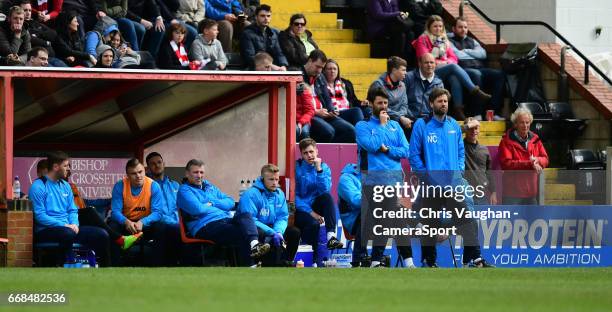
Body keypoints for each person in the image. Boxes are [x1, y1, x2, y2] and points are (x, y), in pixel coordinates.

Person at [409, 87, 493, 267]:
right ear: (431, 104)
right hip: (430, 186)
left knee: (467, 220)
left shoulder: (454, 124)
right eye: (439, 101)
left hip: (453, 185)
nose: (443, 104)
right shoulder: (421, 125)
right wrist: (426, 177)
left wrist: (459, 170)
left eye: (445, 101)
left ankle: (476, 258)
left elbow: (461, 151)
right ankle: (428, 261)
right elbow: (414, 155)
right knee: (429, 223)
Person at [355, 86, 415, 268]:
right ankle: (402, 260)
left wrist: (388, 149)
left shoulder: (395, 126)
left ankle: (381, 260)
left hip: (395, 181)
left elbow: (406, 150)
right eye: (380, 103)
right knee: (390, 218)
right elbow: (372, 145)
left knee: (395, 220)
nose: (383, 107)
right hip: (373, 182)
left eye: (386, 103)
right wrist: (381, 126)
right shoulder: (362, 126)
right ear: (371, 103)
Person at [176, 159, 270, 267]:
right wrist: (218, 205)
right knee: (242, 231)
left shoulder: (209, 187)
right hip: (205, 225)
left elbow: (230, 202)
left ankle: (255, 245)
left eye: (201, 172)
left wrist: (211, 203)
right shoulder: (184, 190)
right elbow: (198, 209)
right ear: (187, 174)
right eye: (195, 172)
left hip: (224, 219)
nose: (199, 175)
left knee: (249, 219)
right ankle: (249, 265)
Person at [30, 151, 111, 266]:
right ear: (55, 167)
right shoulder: (38, 186)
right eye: (66, 166)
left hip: (69, 228)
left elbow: (72, 210)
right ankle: (64, 266)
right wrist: (64, 225)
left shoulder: (66, 186)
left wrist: (75, 224)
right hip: (45, 230)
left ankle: (106, 270)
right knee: (67, 234)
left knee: (102, 234)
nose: (68, 169)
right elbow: (40, 216)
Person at [412, 15, 491, 120]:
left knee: (454, 78)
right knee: (453, 67)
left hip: (443, 69)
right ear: (429, 27)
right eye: (435, 26)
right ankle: (474, 90)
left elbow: (454, 58)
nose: (438, 29)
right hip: (428, 70)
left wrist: (445, 62)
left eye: (440, 26)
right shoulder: (423, 39)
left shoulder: (444, 40)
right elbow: (424, 58)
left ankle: (458, 110)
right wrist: (443, 62)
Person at [64, 162, 142, 251]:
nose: (69, 171)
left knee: (102, 231)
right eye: (65, 167)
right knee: (91, 213)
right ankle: (121, 239)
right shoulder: (49, 186)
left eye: (69, 169)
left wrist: (110, 200)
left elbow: (81, 205)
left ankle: (112, 258)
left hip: (76, 220)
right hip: (67, 222)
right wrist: (70, 223)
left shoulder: (70, 186)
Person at [238, 164, 301, 266]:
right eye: (271, 179)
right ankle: (259, 263)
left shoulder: (280, 194)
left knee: (295, 232)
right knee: (261, 233)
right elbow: (251, 220)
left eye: (276, 179)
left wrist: (279, 231)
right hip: (255, 227)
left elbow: (282, 217)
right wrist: (272, 232)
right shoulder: (250, 194)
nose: (274, 183)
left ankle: (286, 262)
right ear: (263, 179)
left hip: (273, 227)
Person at [108, 158, 167, 266]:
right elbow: (115, 212)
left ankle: (158, 265)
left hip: (145, 223)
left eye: (140, 172)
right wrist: (126, 222)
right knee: (112, 226)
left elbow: (158, 213)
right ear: (127, 175)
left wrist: (143, 222)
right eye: (133, 173)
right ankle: (115, 265)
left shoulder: (153, 186)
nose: (138, 176)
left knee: (162, 227)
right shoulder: (120, 186)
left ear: (144, 171)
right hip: (125, 223)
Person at [294, 138, 343, 264]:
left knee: (327, 197)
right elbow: (294, 196)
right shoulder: (297, 168)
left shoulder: (324, 167)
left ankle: (331, 236)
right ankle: (314, 260)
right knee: (313, 224)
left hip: (316, 204)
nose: (309, 155)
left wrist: (319, 170)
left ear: (317, 151)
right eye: (305, 153)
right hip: (301, 209)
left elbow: (325, 190)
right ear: (301, 154)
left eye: (311, 151)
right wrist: (311, 213)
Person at [448, 17, 505, 120]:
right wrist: (474, 54)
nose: (463, 29)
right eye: (460, 27)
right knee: (476, 74)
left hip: (480, 68)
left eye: (465, 27)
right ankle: (477, 113)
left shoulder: (472, 40)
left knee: (499, 75)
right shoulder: (449, 41)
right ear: (453, 28)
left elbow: (483, 54)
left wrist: (466, 51)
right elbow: (458, 55)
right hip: (463, 70)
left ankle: (493, 112)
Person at [498, 107, 549, 205]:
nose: (525, 125)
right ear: (515, 124)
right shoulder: (506, 141)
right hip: (512, 193)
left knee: (532, 220)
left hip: (531, 192)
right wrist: (530, 164)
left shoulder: (535, 139)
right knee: (510, 220)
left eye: (527, 122)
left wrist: (537, 160)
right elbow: (506, 164)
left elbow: (545, 159)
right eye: (522, 122)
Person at [304, 50, 355, 143]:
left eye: (321, 68)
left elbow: (327, 98)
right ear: (310, 61)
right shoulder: (298, 75)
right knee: (328, 131)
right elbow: (296, 104)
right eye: (317, 66)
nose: (319, 70)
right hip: (311, 114)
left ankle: (332, 155)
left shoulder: (319, 76)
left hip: (325, 114)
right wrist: (315, 112)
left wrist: (331, 110)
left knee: (351, 131)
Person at [145, 152, 182, 266]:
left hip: (177, 223)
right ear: (148, 168)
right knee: (170, 229)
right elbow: (153, 212)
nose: (157, 165)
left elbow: (181, 208)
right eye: (153, 164)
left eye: (159, 162)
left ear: (164, 164)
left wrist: (179, 222)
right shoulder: (146, 187)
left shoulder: (175, 185)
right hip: (159, 224)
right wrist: (174, 223)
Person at [370, 56, 411, 137]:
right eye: (403, 70)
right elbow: (380, 107)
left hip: (399, 118)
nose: (405, 73)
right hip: (382, 117)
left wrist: (401, 117)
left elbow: (404, 105)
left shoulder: (402, 85)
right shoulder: (378, 85)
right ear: (394, 70)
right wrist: (400, 118)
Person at [240, 4, 287, 70]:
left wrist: (283, 65)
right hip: (252, 69)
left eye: (268, 16)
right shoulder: (247, 33)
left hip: (271, 68)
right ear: (256, 17)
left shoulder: (274, 33)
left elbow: (279, 53)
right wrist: (270, 65)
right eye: (262, 16)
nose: (266, 18)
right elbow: (250, 58)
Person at [463, 117, 497, 205]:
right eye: (470, 128)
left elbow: (488, 172)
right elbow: (451, 135)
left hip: (481, 195)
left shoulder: (484, 149)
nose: (473, 131)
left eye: (476, 128)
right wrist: (467, 126)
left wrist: (493, 192)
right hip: (463, 194)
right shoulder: (459, 147)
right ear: (466, 129)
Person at [404, 53, 444, 120]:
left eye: (432, 62)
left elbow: (439, 105)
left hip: (429, 120)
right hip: (410, 119)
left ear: (435, 64)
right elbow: (402, 101)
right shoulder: (408, 77)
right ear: (420, 64)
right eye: (426, 62)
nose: (429, 65)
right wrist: (409, 116)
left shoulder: (438, 83)